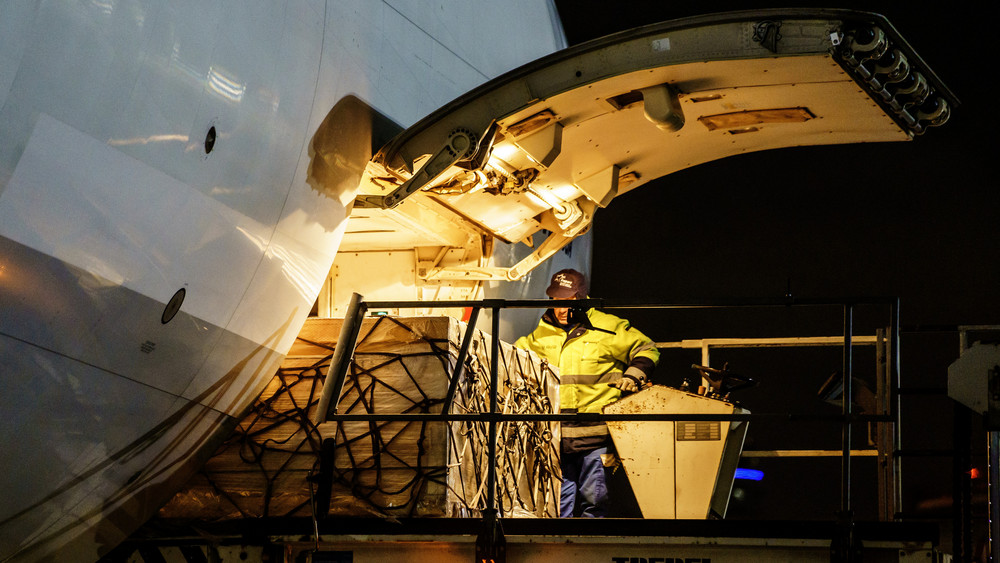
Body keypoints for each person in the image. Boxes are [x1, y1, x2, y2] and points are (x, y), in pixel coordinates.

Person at [515, 268, 659, 517]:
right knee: (559, 506)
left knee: (595, 502)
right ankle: (559, 552)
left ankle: (587, 551)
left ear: (583, 298)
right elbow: (511, 356)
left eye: (568, 302)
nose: (560, 309)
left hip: (597, 436)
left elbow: (646, 348)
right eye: (556, 302)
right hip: (557, 436)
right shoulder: (540, 334)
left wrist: (633, 376)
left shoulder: (608, 327)